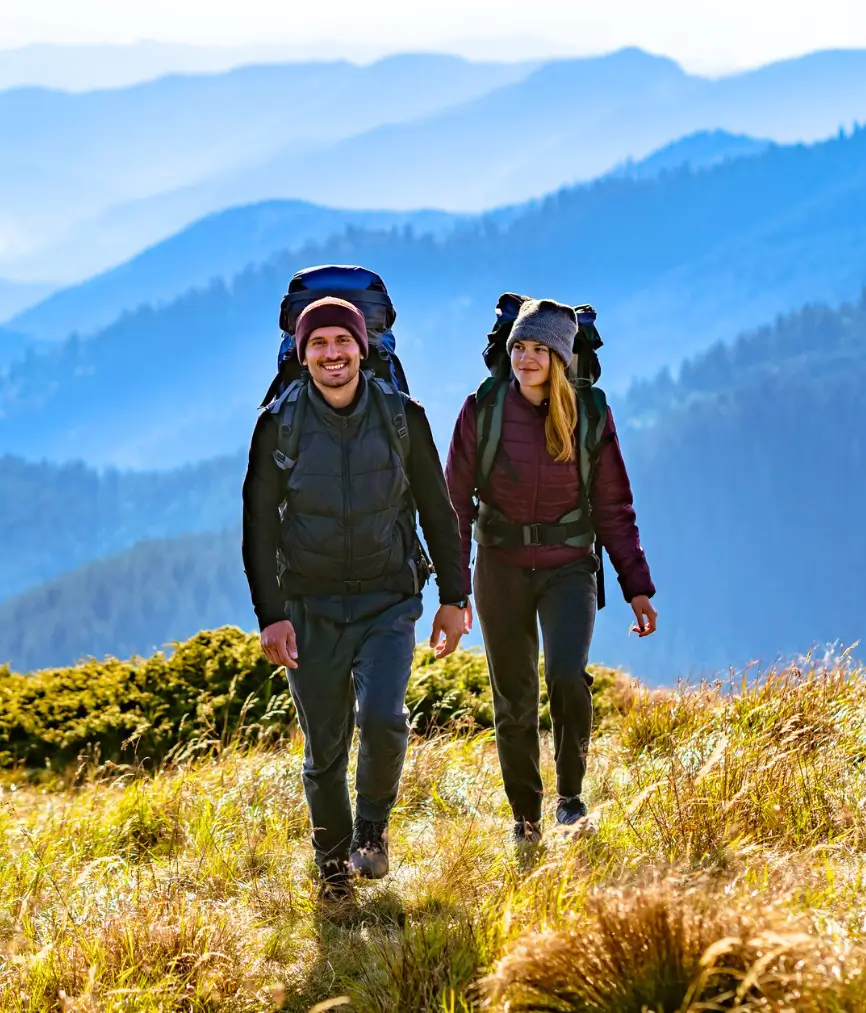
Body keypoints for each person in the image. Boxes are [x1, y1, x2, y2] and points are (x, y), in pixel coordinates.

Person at [242, 296, 469, 899]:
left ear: (362, 348)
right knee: (323, 750)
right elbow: (259, 525)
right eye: (318, 344)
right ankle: (332, 867)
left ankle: (372, 830)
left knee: (383, 718)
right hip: (309, 606)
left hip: (387, 599)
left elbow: (436, 510)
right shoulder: (278, 424)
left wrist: (454, 596)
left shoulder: (402, 416)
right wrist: (272, 615)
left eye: (342, 341)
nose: (332, 353)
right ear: (302, 353)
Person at [445, 297, 656, 843]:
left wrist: (637, 586)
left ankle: (570, 798)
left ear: (561, 358)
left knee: (566, 677)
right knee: (513, 695)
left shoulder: (590, 415)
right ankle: (524, 817)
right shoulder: (482, 410)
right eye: (520, 346)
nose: (527, 358)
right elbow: (455, 505)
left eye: (540, 349)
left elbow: (613, 505)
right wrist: (453, 589)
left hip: (569, 568)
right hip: (500, 567)